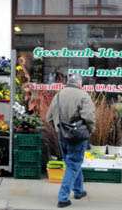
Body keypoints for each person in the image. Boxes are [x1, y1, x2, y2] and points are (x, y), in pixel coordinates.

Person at [46, 73, 96, 208]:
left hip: (62, 135)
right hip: (78, 136)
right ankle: (63, 197)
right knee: (74, 164)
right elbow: (89, 117)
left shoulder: (58, 95)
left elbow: (48, 117)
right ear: (80, 84)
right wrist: (90, 130)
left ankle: (79, 191)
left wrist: (59, 128)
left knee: (72, 162)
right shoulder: (83, 96)